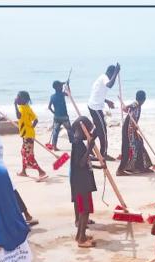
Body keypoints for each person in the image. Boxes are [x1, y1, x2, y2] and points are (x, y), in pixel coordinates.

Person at [69, 116, 98, 248]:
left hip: (83, 180)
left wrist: (100, 165)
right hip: (81, 182)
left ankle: (80, 235)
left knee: (84, 210)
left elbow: (85, 162)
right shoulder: (77, 144)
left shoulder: (79, 143)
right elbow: (80, 163)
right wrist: (89, 147)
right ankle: (81, 239)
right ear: (83, 129)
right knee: (84, 210)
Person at [87, 63, 121, 161]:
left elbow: (98, 93)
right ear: (110, 73)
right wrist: (116, 72)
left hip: (95, 106)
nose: (112, 78)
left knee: (99, 129)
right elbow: (110, 85)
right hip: (95, 107)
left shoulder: (101, 78)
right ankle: (103, 154)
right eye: (112, 75)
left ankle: (88, 147)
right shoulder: (104, 78)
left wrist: (107, 101)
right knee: (103, 131)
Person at [117, 90, 153, 176]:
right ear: (144, 99)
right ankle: (120, 170)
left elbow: (132, 116)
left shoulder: (138, 105)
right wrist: (126, 107)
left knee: (140, 143)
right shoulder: (136, 104)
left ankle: (141, 167)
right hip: (127, 130)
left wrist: (135, 127)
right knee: (127, 149)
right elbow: (126, 108)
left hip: (132, 129)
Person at [14, 91, 47, 181]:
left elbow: (18, 116)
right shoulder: (27, 107)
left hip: (27, 136)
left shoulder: (21, 109)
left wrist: (14, 105)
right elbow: (35, 120)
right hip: (29, 134)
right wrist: (30, 128)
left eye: (18, 97)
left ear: (23, 99)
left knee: (29, 155)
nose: (16, 99)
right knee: (23, 152)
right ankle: (23, 171)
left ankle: (41, 172)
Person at [47, 80, 71, 151]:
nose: (61, 87)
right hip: (64, 117)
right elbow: (69, 94)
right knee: (70, 130)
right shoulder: (62, 94)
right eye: (60, 86)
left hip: (56, 117)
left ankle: (54, 146)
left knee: (55, 132)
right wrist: (67, 85)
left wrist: (54, 112)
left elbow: (49, 107)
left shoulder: (52, 96)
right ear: (58, 88)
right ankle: (74, 143)